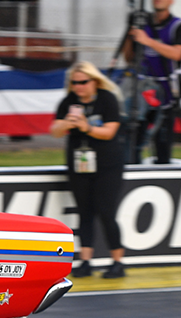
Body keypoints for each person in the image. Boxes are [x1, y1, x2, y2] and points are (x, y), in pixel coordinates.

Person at [50, 62, 127, 278]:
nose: (78, 86)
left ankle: (117, 261)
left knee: (106, 211)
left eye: (83, 82)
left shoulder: (107, 99)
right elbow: (54, 131)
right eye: (74, 82)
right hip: (79, 164)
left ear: (94, 81)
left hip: (107, 164)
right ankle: (85, 261)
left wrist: (87, 128)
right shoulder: (68, 102)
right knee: (84, 211)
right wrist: (67, 123)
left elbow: (110, 132)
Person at [127, 0, 181, 164]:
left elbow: (177, 54)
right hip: (142, 93)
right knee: (133, 145)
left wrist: (147, 40)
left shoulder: (176, 26)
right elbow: (129, 58)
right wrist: (130, 35)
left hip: (166, 95)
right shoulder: (142, 23)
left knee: (163, 146)